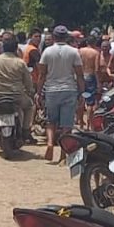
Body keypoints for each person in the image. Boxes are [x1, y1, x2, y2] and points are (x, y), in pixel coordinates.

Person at [38, 26, 84, 164]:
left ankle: (51, 143)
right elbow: (80, 75)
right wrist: (81, 93)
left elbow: (41, 75)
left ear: (54, 37)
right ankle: (63, 155)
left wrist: (38, 92)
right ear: (66, 37)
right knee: (66, 125)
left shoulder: (47, 51)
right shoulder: (74, 52)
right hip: (69, 90)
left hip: (51, 90)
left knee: (51, 121)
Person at [77, 35, 101, 127]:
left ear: (87, 42)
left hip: (80, 76)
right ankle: (89, 123)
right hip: (90, 76)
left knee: (81, 99)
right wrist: (98, 82)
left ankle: (80, 122)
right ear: (94, 43)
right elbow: (96, 69)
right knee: (90, 102)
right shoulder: (95, 53)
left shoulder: (80, 51)